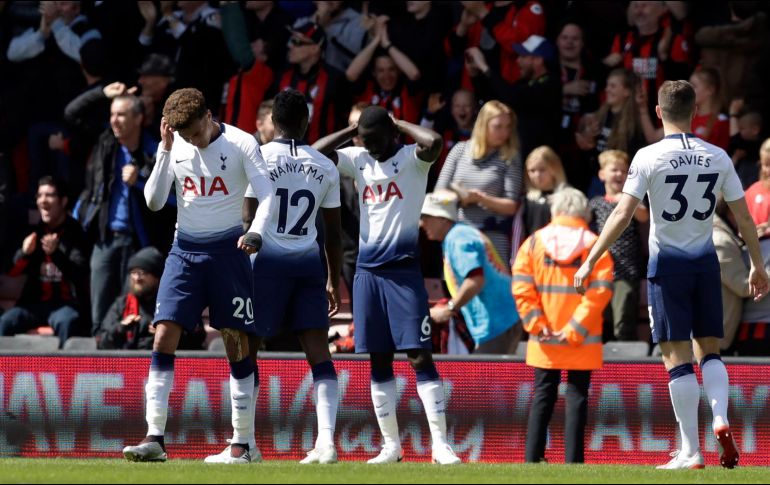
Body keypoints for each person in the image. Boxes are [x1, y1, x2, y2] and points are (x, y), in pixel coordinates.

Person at [575, 80, 770, 469]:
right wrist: (756, 265)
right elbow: (744, 218)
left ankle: (691, 452)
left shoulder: (648, 156)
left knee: (675, 357)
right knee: (710, 350)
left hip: (667, 266)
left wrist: (591, 258)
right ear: (695, 112)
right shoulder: (717, 156)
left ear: (660, 113)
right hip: (705, 263)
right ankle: (719, 416)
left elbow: (621, 213)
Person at [122, 88, 274, 463]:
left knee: (235, 343)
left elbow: (268, 194)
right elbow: (155, 201)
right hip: (184, 253)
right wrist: (165, 150)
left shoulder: (241, 143)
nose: (193, 140)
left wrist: (256, 230)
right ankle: (154, 438)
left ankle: (242, 444)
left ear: (209, 115)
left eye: (196, 132)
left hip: (229, 253)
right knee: (162, 337)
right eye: (185, 135)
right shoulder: (176, 146)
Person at [313, 106, 461, 465]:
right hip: (367, 272)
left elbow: (435, 141)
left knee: (419, 354)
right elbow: (316, 153)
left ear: (393, 134)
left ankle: (440, 445)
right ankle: (391, 446)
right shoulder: (359, 158)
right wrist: (353, 131)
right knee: (379, 358)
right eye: (368, 141)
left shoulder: (413, 159)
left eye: (378, 140)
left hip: (403, 272)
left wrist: (398, 123)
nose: (373, 148)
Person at [242, 88, 343, 464]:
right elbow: (333, 232)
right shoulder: (325, 164)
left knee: (247, 349)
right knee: (319, 352)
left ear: (273, 122)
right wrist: (334, 279)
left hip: (264, 264)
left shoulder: (259, 157)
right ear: (306, 122)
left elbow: (246, 217)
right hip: (307, 264)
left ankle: (245, 442)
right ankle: (327, 443)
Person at [513, 187, 613, 463]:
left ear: (555, 210)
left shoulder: (533, 243)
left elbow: (522, 287)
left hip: (544, 338)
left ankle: (532, 459)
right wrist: (574, 330)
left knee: (543, 396)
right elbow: (600, 292)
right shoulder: (596, 245)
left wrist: (536, 323)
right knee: (577, 397)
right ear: (583, 212)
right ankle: (574, 462)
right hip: (583, 339)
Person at [72, 85, 166, 334]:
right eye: (112, 114)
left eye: (121, 114)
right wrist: (103, 93)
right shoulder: (105, 143)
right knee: (99, 317)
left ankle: (129, 369)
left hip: (138, 246)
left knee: (133, 315)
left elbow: (172, 200)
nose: (114, 120)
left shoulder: (154, 153)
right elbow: (72, 114)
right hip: (105, 240)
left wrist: (141, 183)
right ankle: (96, 369)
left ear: (138, 118)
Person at [421, 191, 522, 354]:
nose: (421, 224)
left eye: (426, 217)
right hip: (502, 320)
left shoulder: (458, 238)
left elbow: (475, 280)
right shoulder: (460, 234)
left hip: (497, 322)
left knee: (486, 379)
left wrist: (449, 308)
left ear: (443, 218)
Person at [0, 176, 89, 348]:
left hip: (66, 304)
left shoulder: (76, 233)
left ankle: (64, 373)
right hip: (34, 304)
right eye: (40, 196)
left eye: (49, 195)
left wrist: (56, 254)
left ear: (63, 201)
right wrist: (24, 253)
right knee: (5, 321)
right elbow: (11, 271)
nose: (43, 201)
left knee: (67, 322)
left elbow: (79, 274)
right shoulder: (34, 231)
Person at [435, 100, 523, 263]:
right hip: (459, 236)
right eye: (498, 126)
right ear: (483, 125)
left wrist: (480, 199)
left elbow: (511, 206)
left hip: (492, 240)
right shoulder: (460, 150)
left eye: (508, 126)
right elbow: (439, 193)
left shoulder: (510, 157)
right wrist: (459, 197)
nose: (504, 132)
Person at [589, 150, 649, 341]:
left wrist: (626, 199)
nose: (619, 175)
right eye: (614, 170)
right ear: (602, 174)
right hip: (600, 270)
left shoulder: (631, 201)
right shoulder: (595, 203)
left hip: (626, 270)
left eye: (624, 171)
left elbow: (643, 215)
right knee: (601, 318)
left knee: (623, 319)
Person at [97, 246, 205, 351]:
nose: (137, 278)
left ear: (157, 277)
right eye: (133, 273)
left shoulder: (177, 304)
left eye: (142, 273)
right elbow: (102, 342)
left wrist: (169, 334)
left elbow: (197, 339)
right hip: (131, 364)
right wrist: (121, 328)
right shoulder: (122, 305)